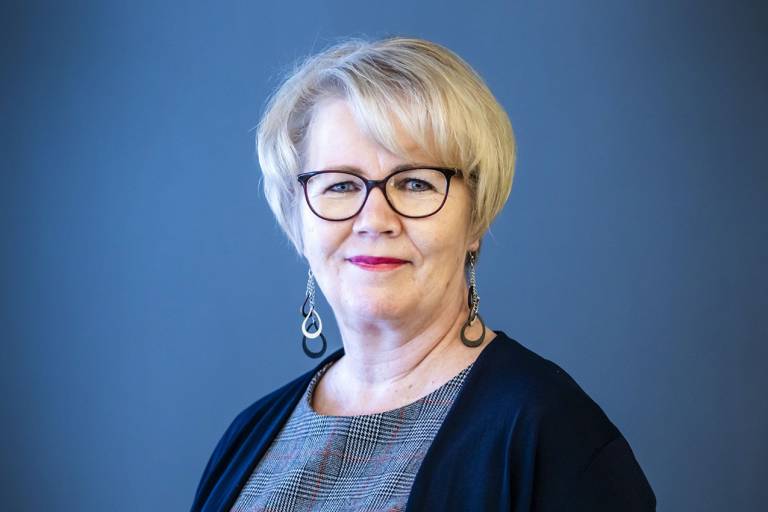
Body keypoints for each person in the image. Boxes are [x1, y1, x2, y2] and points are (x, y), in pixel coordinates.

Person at [190, 36, 656, 512]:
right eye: (341, 185)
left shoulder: (553, 435)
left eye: (415, 183)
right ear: (298, 220)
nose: (375, 220)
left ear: (475, 217)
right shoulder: (250, 436)